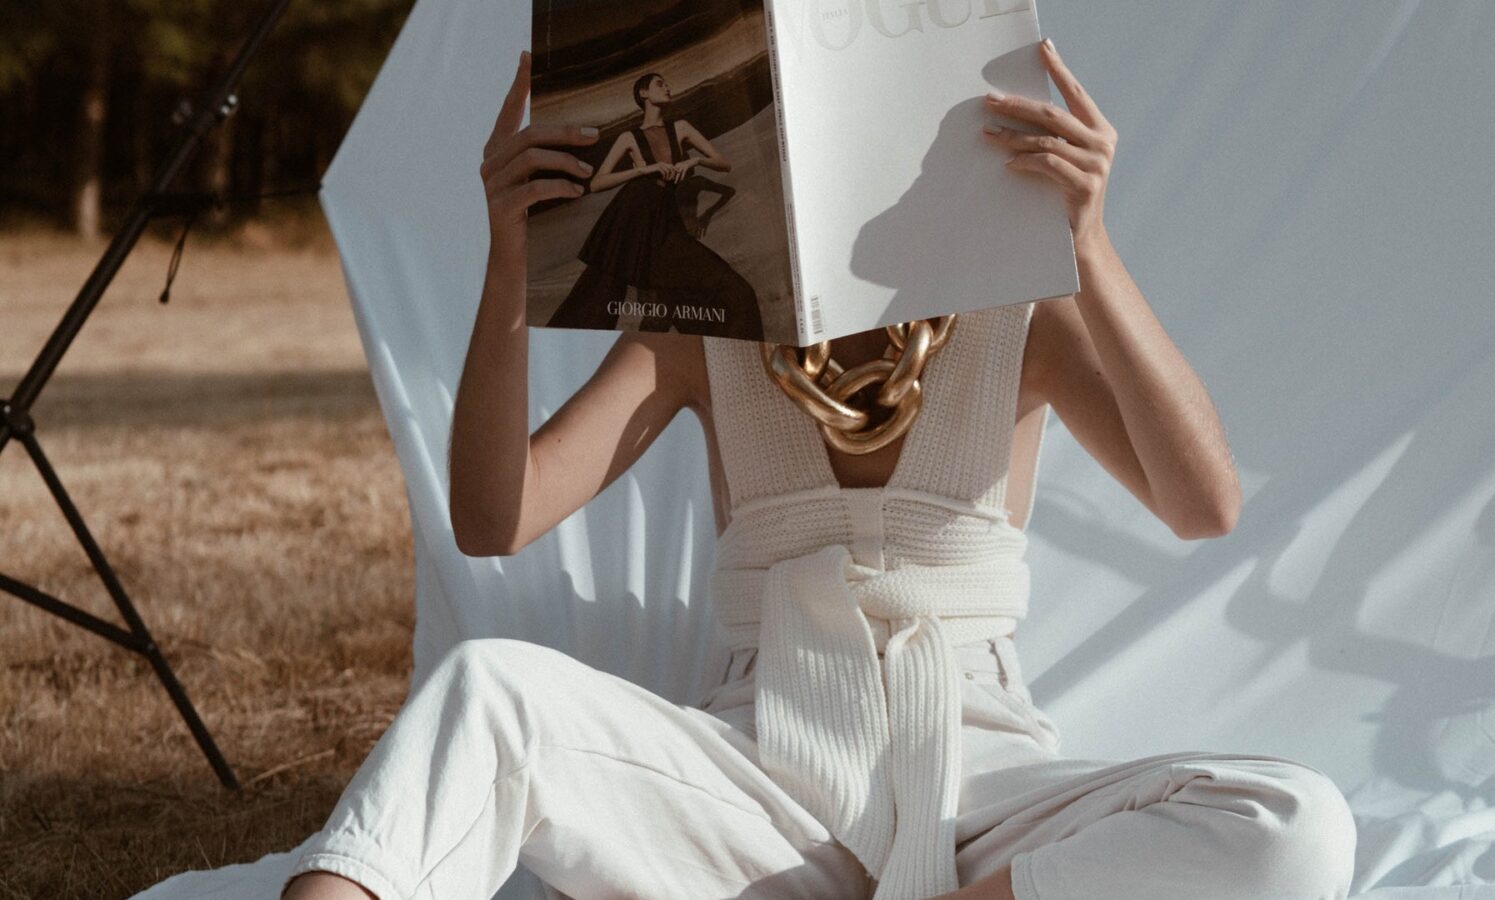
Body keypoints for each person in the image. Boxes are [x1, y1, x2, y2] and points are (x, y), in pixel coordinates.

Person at [281, 40, 1358, 900]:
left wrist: (1089, 242)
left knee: (1294, 824)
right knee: (485, 690)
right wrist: (510, 260)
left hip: (978, 790)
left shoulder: (1019, 314)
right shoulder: (701, 328)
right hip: (754, 789)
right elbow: (493, 518)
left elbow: (1203, 503)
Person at [543, 70, 765, 341]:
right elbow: (598, 183)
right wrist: (643, 170)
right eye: (660, 84)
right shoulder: (629, 137)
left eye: (668, 84)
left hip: (665, 221)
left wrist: (693, 162)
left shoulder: (680, 128)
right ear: (643, 94)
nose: (668, 87)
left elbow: (723, 163)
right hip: (631, 216)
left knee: (729, 290)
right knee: (600, 293)